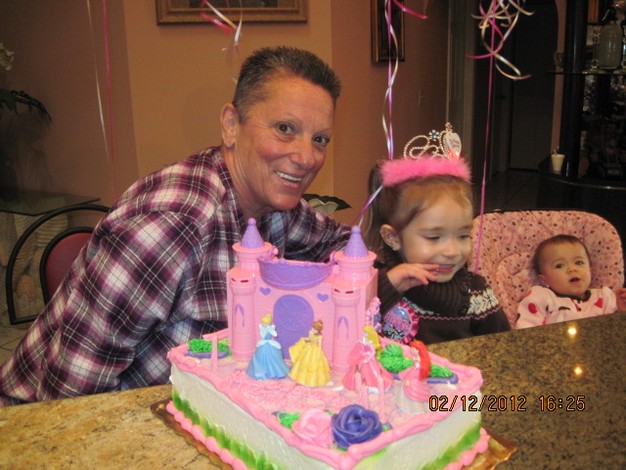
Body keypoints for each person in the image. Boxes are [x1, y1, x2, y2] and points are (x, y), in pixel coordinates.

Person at [0, 46, 352, 406]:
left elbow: (342, 244)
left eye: (319, 139)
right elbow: (68, 400)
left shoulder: (275, 206)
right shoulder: (170, 228)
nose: (306, 158)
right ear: (231, 125)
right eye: (284, 129)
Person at [364, 136, 510, 345]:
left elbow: (504, 348)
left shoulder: (477, 293)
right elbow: (347, 329)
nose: (452, 251)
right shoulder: (375, 285)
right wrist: (388, 285)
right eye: (434, 237)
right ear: (392, 238)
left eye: (463, 235)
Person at [516, 234, 626, 328]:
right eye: (559, 266)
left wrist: (622, 311)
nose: (572, 269)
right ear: (544, 279)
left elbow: (616, 331)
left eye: (578, 263)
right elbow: (525, 330)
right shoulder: (541, 297)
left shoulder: (605, 297)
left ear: (590, 270)